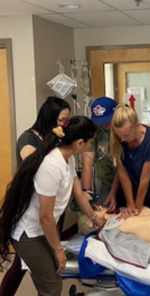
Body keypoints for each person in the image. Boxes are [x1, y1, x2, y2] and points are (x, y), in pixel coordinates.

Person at [0, 116, 106, 296]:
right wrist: (58, 250)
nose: (91, 146)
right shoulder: (51, 165)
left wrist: (96, 219)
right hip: (29, 233)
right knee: (52, 286)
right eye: (91, 142)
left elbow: (78, 194)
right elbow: (45, 216)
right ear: (80, 143)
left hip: (43, 228)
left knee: (51, 278)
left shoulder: (69, 158)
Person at [0, 96, 70, 296]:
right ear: (49, 117)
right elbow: (36, 165)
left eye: (67, 121)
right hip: (27, 213)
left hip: (44, 211)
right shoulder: (28, 139)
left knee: (30, 267)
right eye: (61, 120)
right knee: (25, 267)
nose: (64, 124)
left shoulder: (57, 140)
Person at [81, 97, 124, 211]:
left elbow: (122, 167)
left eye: (107, 120)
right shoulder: (94, 131)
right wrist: (87, 192)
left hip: (126, 180)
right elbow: (87, 163)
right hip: (104, 181)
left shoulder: (123, 128)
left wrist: (114, 192)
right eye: (101, 121)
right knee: (105, 214)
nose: (104, 124)